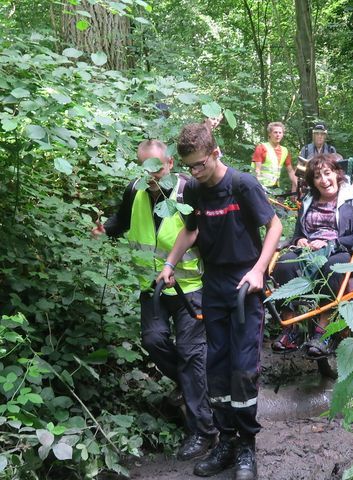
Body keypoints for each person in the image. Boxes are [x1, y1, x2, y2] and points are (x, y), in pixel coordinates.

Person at [158, 123, 282, 480]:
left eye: (199, 164)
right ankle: (226, 442)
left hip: (246, 285)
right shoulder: (195, 190)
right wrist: (170, 263)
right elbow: (191, 230)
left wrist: (259, 271)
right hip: (213, 283)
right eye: (189, 167)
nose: (194, 172)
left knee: (242, 370)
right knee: (217, 369)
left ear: (215, 154)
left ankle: (247, 446)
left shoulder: (242, 184)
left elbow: (274, 226)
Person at [91, 139, 217, 461]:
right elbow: (122, 222)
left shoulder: (189, 191)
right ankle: (195, 385)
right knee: (154, 339)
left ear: (171, 164)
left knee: (191, 354)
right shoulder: (134, 190)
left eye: (157, 168)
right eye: (145, 168)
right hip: (152, 287)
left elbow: (207, 233)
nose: (152, 176)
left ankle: (203, 431)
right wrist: (104, 229)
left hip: (190, 287)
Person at [271, 153, 353, 357]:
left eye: (327, 173)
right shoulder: (308, 201)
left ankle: (322, 332)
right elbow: (298, 234)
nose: (324, 180)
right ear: (312, 182)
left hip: (341, 250)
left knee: (333, 266)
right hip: (308, 252)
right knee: (284, 263)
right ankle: (292, 329)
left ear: (337, 174)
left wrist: (330, 243)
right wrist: (300, 240)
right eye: (317, 176)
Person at [252, 121, 297, 192]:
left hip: (275, 187)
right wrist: (258, 189)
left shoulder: (285, 150)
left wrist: (295, 186)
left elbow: (290, 171)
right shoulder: (261, 147)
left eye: (280, 133)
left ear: (282, 134)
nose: (278, 135)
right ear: (269, 134)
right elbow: (256, 170)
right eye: (275, 132)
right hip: (260, 186)